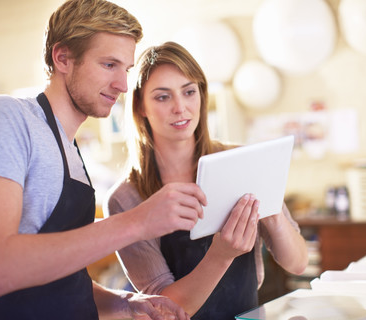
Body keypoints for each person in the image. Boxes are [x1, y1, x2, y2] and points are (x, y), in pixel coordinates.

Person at [0, 1, 207, 319]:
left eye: (125, 69)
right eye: (109, 65)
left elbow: (58, 276)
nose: (123, 85)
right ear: (62, 57)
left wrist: (123, 303)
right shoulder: (5, 116)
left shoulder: (71, 151)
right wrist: (137, 221)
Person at [105, 41, 309, 319]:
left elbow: (297, 264)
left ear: (201, 95)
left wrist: (270, 208)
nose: (180, 107)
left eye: (189, 92)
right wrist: (221, 254)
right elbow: (163, 308)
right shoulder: (126, 198)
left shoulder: (243, 160)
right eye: (163, 97)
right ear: (140, 105)